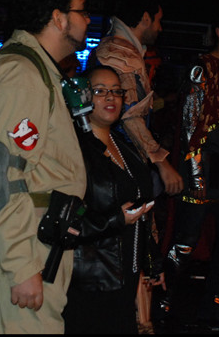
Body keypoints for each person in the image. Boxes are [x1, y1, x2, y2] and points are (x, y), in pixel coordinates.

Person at [0, 0, 90, 334]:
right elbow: (0, 176)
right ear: (58, 18)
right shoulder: (22, 76)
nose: (87, 19)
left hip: (35, 240)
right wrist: (21, 266)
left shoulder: (35, 71)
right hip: (21, 248)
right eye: (82, 10)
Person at [89, 0, 182, 333]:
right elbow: (129, 116)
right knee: (131, 245)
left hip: (121, 163)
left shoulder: (123, 51)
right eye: (158, 19)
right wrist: (160, 160)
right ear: (144, 17)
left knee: (136, 245)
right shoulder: (119, 54)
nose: (160, 27)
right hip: (117, 166)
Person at [159, 6, 219, 331]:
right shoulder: (201, 69)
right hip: (199, 163)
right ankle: (162, 302)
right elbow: (189, 127)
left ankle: (213, 303)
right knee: (186, 239)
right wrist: (196, 175)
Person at [62, 65, 165, 334]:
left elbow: (142, 207)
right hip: (90, 278)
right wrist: (115, 220)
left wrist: (151, 261)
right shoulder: (74, 149)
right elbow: (65, 221)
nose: (110, 97)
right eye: (100, 91)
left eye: (116, 91)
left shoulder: (125, 146)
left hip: (126, 274)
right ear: (84, 97)